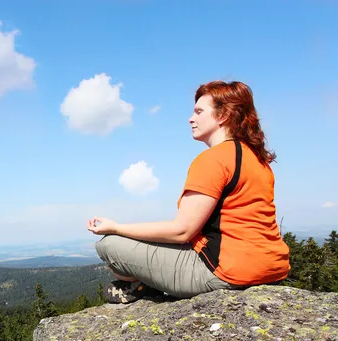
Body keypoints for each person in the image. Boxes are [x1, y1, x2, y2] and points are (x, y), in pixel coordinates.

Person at [87, 80, 291, 303]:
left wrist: (116, 227)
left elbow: (181, 231)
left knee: (109, 245)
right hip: (272, 268)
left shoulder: (214, 159)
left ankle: (141, 285)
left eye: (199, 111)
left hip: (228, 272)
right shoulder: (257, 159)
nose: (191, 118)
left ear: (222, 115)